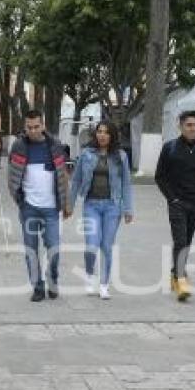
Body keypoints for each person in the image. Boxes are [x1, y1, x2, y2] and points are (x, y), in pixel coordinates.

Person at [154, 110, 195, 302]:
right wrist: (171, 198)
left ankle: (175, 272)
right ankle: (181, 279)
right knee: (181, 240)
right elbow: (160, 176)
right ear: (180, 126)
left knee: (187, 241)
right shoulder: (170, 148)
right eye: (189, 125)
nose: (193, 129)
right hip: (177, 202)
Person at [8, 110, 72, 302]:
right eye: (29, 127)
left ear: (43, 126)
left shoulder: (55, 145)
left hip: (52, 208)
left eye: (36, 127)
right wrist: (19, 199)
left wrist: (66, 204)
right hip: (29, 208)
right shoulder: (18, 146)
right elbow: (11, 176)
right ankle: (37, 287)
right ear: (25, 127)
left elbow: (63, 177)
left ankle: (52, 282)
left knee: (54, 248)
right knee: (30, 249)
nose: (33, 131)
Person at [70, 121, 135, 299]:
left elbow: (127, 184)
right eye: (99, 131)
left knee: (106, 246)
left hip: (113, 207)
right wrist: (69, 203)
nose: (102, 135)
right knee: (91, 245)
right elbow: (76, 180)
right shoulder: (86, 154)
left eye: (106, 132)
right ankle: (90, 276)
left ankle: (104, 284)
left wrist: (128, 208)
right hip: (91, 205)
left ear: (112, 135)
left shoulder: (120, 156)